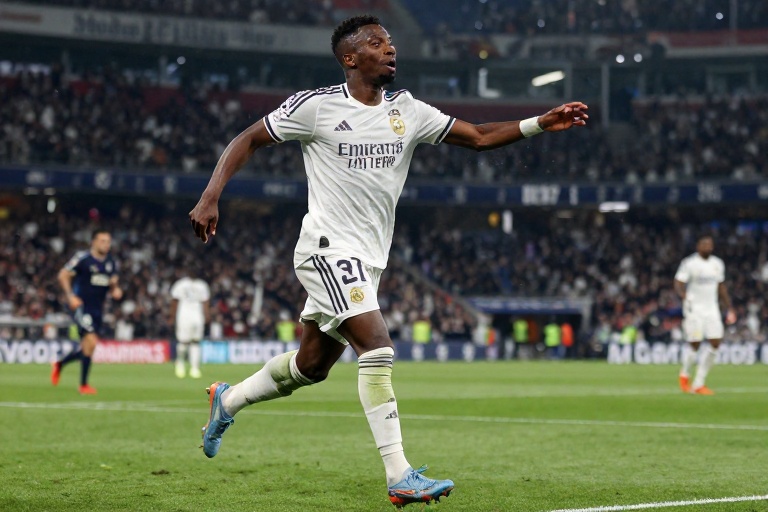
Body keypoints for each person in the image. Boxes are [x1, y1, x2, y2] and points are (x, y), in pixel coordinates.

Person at [188, 14, 588, 507]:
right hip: (328, 249)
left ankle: (227, 400)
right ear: (351, 58)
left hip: (370, 258)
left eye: (390, 42)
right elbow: (248, 138)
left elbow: (480, 136)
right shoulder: (316, 107)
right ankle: (399, 475)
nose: (390, 49)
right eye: (377, 43)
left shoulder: (408, 111)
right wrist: (211, 195)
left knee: (311, 367)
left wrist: (540, 123)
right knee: (377, 348)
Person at [51, 229, 122, 395]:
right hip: (81, 306)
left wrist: (116, 290)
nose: (106, 244)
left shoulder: (111, 262)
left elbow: (113, 283)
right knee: (91, 342)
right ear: (93, 242)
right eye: (102, 241)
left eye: (108, 241)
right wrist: (70, 296)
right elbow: (63, 275)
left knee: (87, 348)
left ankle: (60, 363)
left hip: (98, 309)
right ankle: (83, 385)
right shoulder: (83, 258)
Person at [674, 234, 736, 395]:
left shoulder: (717, 264)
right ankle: (684, 374)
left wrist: (729, 307)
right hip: (694, 308)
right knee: (695, 343)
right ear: (698, 247)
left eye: (710, 244)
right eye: (705, 244)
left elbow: (721, 287)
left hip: (712, 308)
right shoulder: (689, 263)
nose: (708, 247)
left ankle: (699, 383)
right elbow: (679, 282)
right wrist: (683, 295)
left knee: (715, 343)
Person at [170, 270, 211, 378]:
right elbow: (174, 301)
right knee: (183, 342)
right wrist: (172, 316)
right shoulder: (180, 284)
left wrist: (206, 315)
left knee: (196, 341)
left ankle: (195, 368)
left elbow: (205, 302)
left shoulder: (202, 285)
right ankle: (180, 363)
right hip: (184, 315)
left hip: (197, 316)